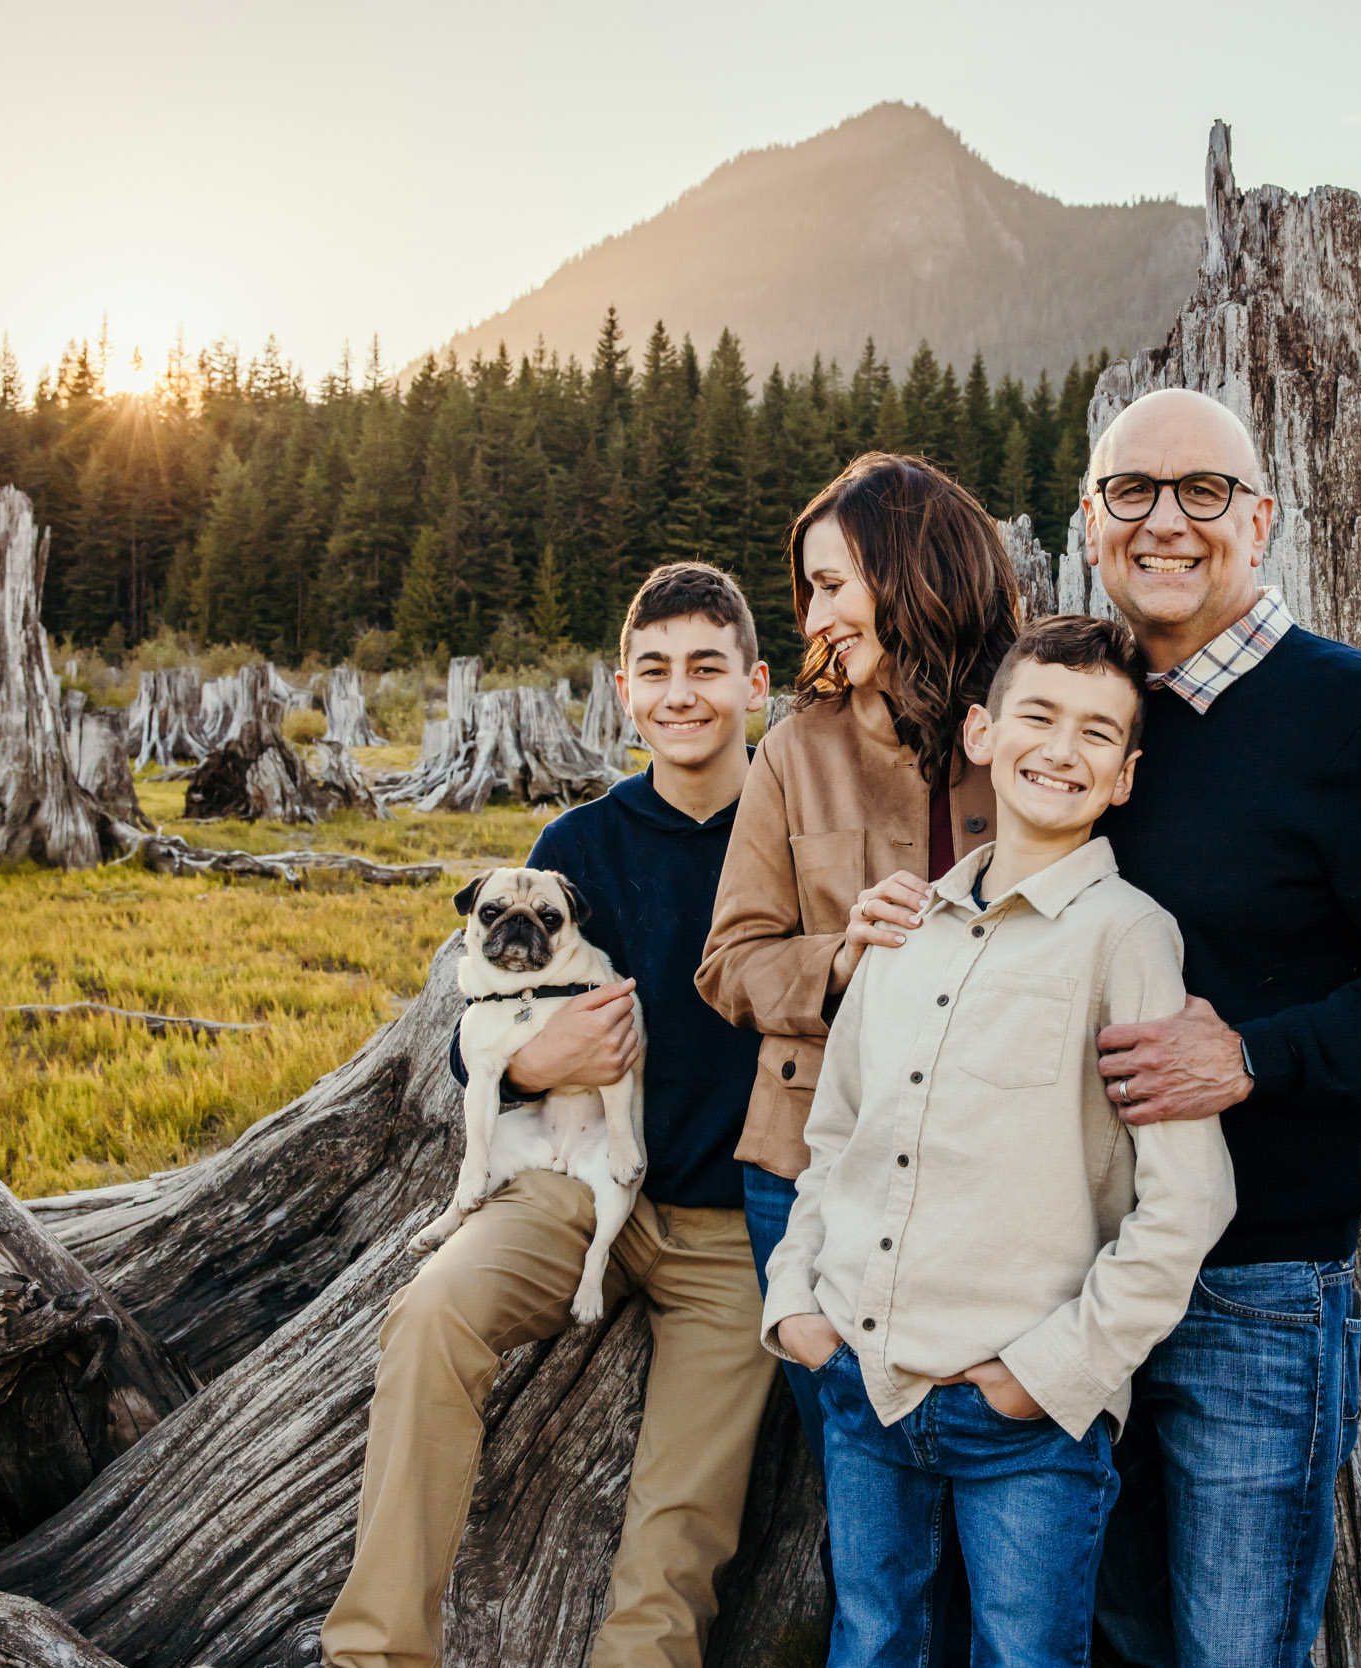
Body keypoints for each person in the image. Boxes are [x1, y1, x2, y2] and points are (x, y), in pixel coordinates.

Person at [1080, 389, 1361, 1667]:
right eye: (1132, 491)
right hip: (1068, 1264)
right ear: (1091, 523)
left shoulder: (1357, 715)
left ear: (1261, 521)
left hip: (1256, 1278)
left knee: (1234, 1642)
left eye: (1203, 491)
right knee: (1104, 1631)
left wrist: (1254, 1055)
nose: (1166, 520)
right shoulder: (1084, 718)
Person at [323, 563, 779, 1668]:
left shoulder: (794, 828)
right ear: (623, 690)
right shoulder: (574, 848)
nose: (681, 694)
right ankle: (376, 1653)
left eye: (707, 669)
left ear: (756, 685)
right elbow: (478, 1030)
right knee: (433, 1318)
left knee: (678, 1528)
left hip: (731, 1226)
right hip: (569, 1188)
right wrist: (534, 1062)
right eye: (657, 671)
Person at [761, 613, 1236, 1668]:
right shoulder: (902, 926)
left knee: (1023, 1655)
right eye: (1038, 717)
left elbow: (1188, 1199)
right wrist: (796, 1298)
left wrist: (1055, 1370)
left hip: (1023, 1419)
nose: (1060, 750)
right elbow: (835, 1138)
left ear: (1124, 777)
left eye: (1096, 735)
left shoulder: (1128, 938)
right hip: (866, 1385)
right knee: (871, 1640)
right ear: (980, 732)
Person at [696, 451, 1018, 1465]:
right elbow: (730, 963)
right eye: (808, 592)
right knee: (864, 1502)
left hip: (996, 1176)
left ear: (912, 573)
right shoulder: (796, 749)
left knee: (1007, 1482)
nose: (814, 618)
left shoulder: (1027, 733)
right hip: (808, 1168)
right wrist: (843, 959)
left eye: (831, 585)